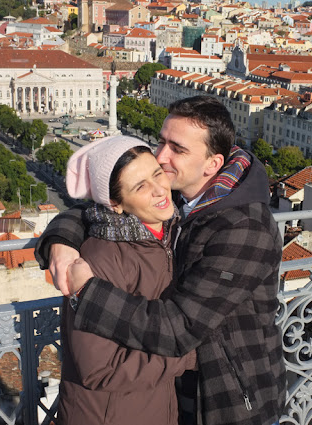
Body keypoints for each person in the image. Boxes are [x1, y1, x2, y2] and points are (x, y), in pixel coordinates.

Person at [35, 96, 286, 425]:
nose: (162, 156)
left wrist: (88, 292)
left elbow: (178, 328)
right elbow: (103, 205)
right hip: (175, 393)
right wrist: (60, 240)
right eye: (162, 142)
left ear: (212, 164)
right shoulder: (184, 194)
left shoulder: (244, 228)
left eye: (177, 149)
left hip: (232, 399)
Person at [57, 135, 195, 425]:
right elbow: (99, 369)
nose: (159, 189)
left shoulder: (172, 233)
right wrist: (187, 354)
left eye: (157, 173)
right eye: (140, 186)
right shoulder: (98, 260)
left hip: (155, 407)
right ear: (115, 204)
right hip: (108, 415)